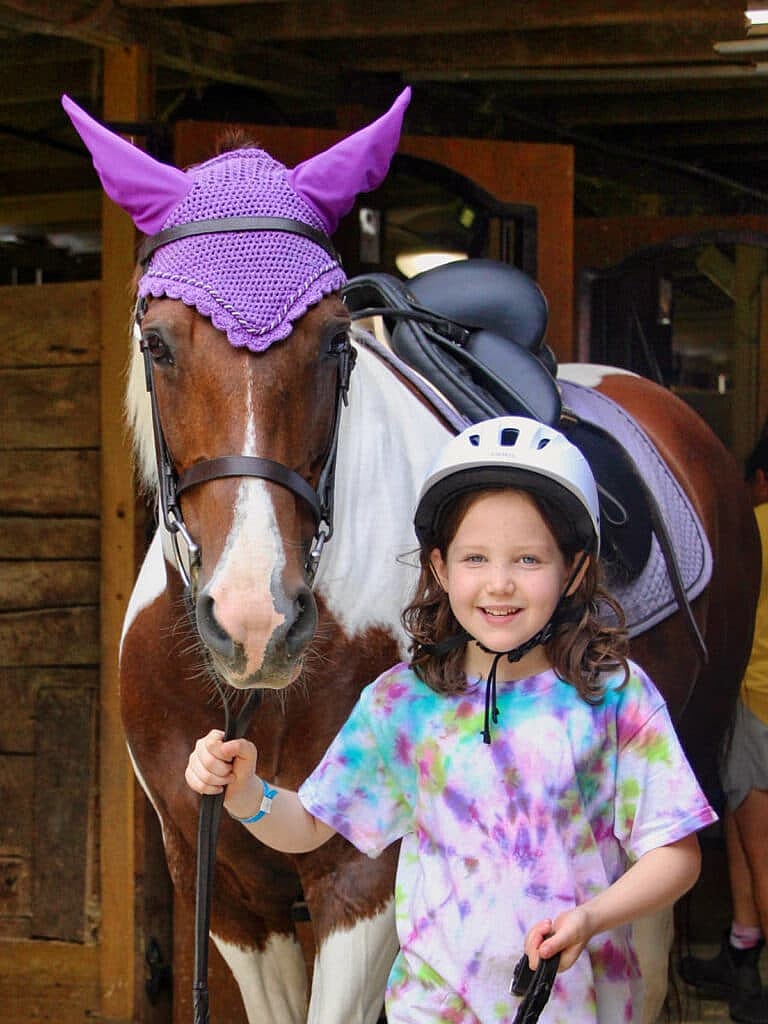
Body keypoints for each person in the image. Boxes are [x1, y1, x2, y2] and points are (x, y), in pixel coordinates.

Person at [186, 415, 716, 1024]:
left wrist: (591, 919)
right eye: (475, 558)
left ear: (572, 571)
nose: (499, 583)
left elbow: (677, 856)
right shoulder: (403, 704)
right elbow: (307, 826)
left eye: (527, 559)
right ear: (440, 569)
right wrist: (244, 791)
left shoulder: (616, 698)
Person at [680, 435, 768, 1024]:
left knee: (760, 848)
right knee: (741, 830)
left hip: (759, 701)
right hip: (755, 702)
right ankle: (742, 950)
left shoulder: (750, 528)